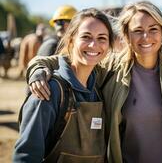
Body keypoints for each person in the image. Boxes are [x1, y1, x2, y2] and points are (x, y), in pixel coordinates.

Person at [25, 1, 162, 163]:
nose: (145, 37)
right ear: (126, 35)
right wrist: (37, 68)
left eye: (153, 29)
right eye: (137, 30)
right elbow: (69, 60)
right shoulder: (111, 68)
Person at [13, 8, 114, 162]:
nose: (94, 45)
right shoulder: (48, 91)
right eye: (86, 37)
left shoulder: (99, 87)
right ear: (71, 40)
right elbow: (26, 156)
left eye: (102, 38)